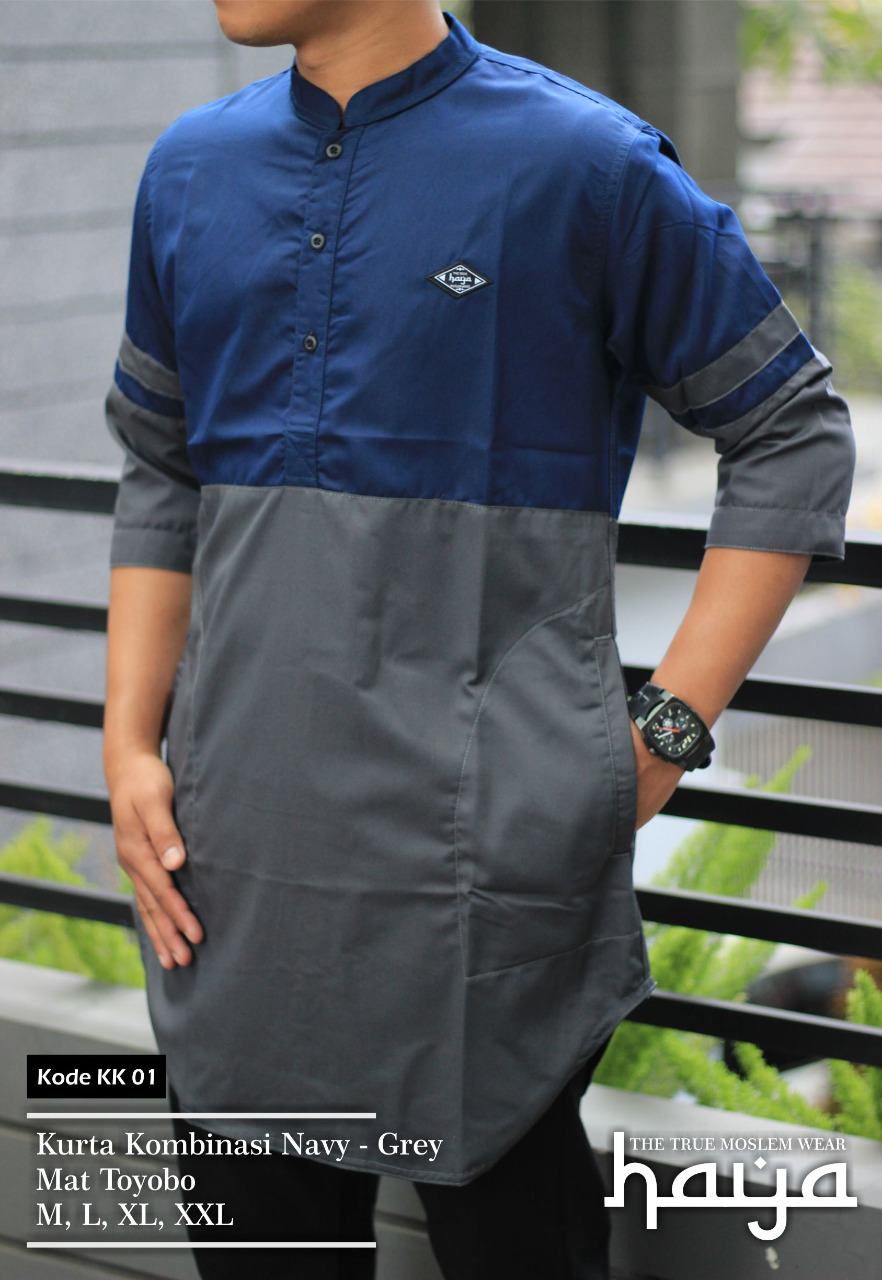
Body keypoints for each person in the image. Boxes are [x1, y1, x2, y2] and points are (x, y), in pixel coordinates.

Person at [101, 3, 855, 1277]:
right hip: (234, 879)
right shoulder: (189, 169)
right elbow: (161, 466)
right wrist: (128, 744)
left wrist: (664, 732)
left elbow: (792, 432)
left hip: (487, 880)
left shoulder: (585, 164)